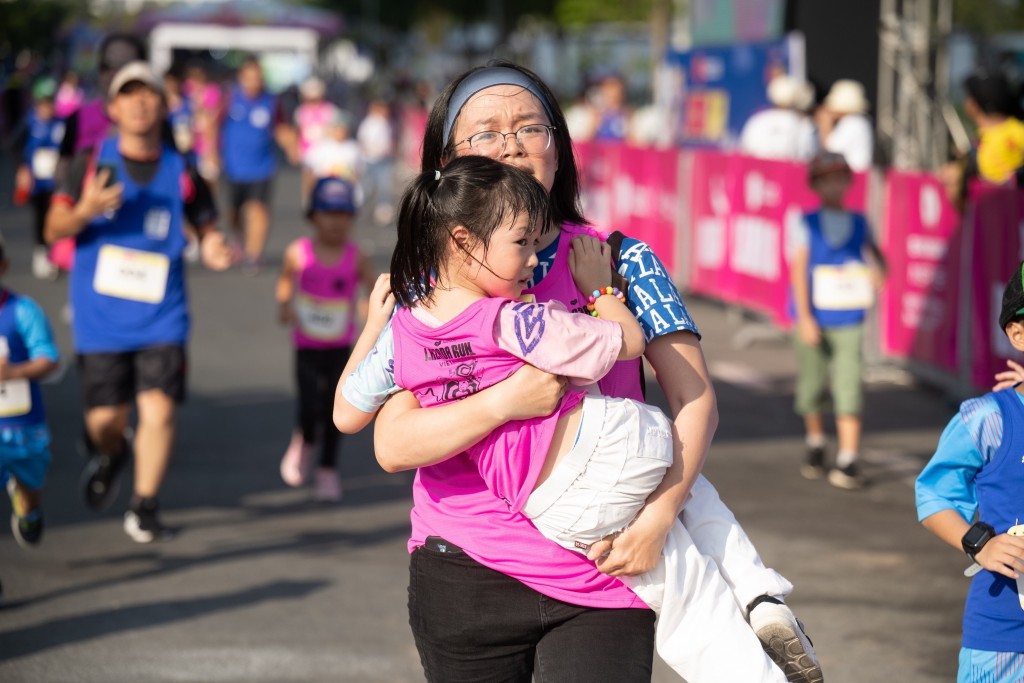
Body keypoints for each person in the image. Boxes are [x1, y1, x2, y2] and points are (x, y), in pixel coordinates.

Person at [348, 62, 821, 682]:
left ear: (559, 147)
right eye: (486, 133)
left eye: (529, 128)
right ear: (448, 162)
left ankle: (755, 603)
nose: (511, 144)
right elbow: (389, 440)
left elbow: (695, 398)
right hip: (464, 573)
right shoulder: (432, 281)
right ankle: (754, 597)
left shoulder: (623, 258)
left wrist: (656, 521)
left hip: (609, 575)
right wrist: (506, 401)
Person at [44, 61, 232, 543]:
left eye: (148, 92)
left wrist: (213, 246)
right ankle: (111, 451)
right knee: (106, 422)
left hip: (161, 314)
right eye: (128, 94)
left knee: (160, 411)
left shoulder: (181, 167)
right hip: (99, 317)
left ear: (164, 104)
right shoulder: (89, 163)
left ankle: (144, 505)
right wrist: (85, 210)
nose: (140, 101)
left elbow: (207, 224)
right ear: (112, 107)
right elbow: (53, 229)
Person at [915, 261, 1024, 682]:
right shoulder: (987, 419)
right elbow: (934, 495)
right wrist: (979, 544)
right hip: (1003, 635)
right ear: (1017, 333)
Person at [788, 151, 886, 489]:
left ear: (848, 181)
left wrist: (877, 275)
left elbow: (875, 260)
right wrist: (804, 317)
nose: (833, 185)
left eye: (839, 178)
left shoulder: (861, 222)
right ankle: (816, 441)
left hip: (849, 317)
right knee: (812, 386)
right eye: (825, 179)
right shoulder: (805, 223)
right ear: (816, 184)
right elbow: (799, 271)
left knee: (848, 384)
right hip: (813, 316)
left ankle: (848, 457)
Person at [277, 177, 374, 501]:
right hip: (306, 345)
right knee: (309, 405)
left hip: (340, 346)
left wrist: (367, 307)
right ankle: (304, 441)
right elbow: (286, 281)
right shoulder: (298, 252)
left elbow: (372, 287)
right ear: (313, 216)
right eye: (329, 212)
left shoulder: (355, 256)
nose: (336, 221)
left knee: (336, 409)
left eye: (344, 214)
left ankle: (328, 468)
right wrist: (285, 304)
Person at [0, 238, 60, 549]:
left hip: (24, 427)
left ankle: (27, 506)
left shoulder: (22, 311)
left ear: (4, 267)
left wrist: (13, 374)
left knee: (31, 486)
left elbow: (49, 359)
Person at [215, 56, 294, 272]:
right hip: (233, 167)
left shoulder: (271, 102)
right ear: (241, 78)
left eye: (257, 77)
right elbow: (213, 125)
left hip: (262, 166)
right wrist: (212, 154)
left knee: (258, 209)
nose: (253, 82)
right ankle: (240, 240)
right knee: (233, 214)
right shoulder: (230, 98)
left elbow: (281, 128)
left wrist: (292, 148)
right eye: (249, 77)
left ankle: (253, 254)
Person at [15, 76, 64, 280]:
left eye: (51, 101)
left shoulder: (61, 124)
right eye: (44, 102)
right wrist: (22, 169)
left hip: (55, 179)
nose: (47, 106)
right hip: (36, 180)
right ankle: (41, 252)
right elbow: (14, 146)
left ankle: (54, 253)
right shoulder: (29, 122)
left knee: (55, 215)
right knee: (39, 216)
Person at [740, 73, 818, 162]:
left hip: (758, 174)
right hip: (787, 174)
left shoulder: (756, 120)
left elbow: (745, 154)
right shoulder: (804, 124)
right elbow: (808, 158)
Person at [815, 79, 873, 172]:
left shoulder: (852, 122)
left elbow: (831, 151)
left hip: (852, 179)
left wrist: (825, 123)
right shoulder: (860, 121)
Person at [356, 98, 395, 226]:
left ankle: (383, 210)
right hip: (370, 160)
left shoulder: (386, 123)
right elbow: (363, 140)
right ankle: (358, 206)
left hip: (383, 160)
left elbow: (388, 140)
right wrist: (371, 151)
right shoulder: (369, 123)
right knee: (367, 186)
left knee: (384, 185)